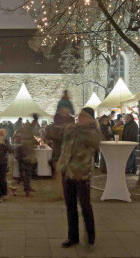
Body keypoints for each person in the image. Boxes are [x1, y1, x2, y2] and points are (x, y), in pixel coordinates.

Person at [58, 107, 101, 249]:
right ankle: (73, 237)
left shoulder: (93, 132)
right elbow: (62, 143)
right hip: (68, 172)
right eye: (79, 115)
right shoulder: (71, 129)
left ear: (90, 118)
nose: (79, 118)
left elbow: (95, 144)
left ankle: (90, 238)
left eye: (83, 116)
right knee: (70, 206)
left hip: (82, 174)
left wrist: (81, 129)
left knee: (85, 206)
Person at [14, 121, 36, 196]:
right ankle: (27, 190)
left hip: (27, 157)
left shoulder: (27, 133)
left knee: (28, 174)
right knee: (26, 175)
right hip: (24, 157)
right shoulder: (21, 134)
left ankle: (28, 188)